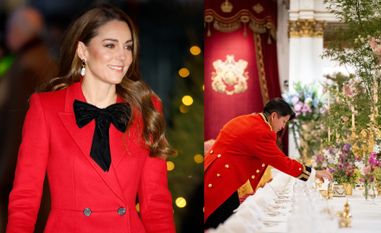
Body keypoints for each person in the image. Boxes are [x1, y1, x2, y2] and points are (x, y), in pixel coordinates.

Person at [6, 5, 175, 233]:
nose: (122, 56)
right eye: (110, 45)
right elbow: (25, 199)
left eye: (128, 47)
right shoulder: (46, 108)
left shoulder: (146, 109)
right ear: (83, 51)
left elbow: (156, 205)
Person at [204, 98, 333, 229]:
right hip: (221, 180)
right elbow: (282, 161)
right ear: (274, 116)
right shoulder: (260, 131)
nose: (283, 126)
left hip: (216, 172)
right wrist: (315, 173)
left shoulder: (251, 120)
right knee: (219, 223)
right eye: (283, 121)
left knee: (225, 218)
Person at [0, 7, 57, 232]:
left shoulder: (26, 67)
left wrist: (3, 174)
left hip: (26, 175)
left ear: (17, 31)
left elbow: (18, 129)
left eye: (9, 30)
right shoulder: (43, 60)